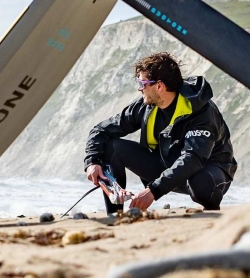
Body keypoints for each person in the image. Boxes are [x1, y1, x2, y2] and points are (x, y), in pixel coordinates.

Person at [84, 52, 237, 213]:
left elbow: (193, 159)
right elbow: (101, 130)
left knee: (201, 183)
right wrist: (92, 161)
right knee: (113, 146)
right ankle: (115, 214)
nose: (139, 88)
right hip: (167, 165)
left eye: (142, 83)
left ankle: (212, 213)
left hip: (209, 170)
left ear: (159, 86)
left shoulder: (202, 111)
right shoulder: (145, 106)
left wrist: (153, 191)